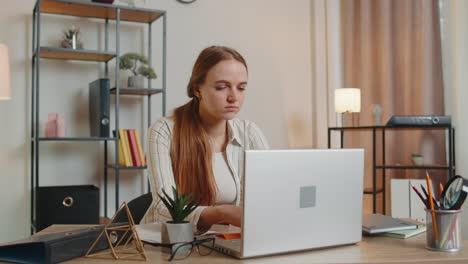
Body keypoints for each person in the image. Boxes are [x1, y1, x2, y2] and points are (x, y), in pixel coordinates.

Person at [142, 46, 269, 233]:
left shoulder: (249, 132)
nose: (234, 97)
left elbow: (271, 192)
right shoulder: (164, 131)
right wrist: (222, 213)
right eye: (221, 87)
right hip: (167, 243)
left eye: (241, 88)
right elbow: (164, 209)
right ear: (197, 89)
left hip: (226, 241)